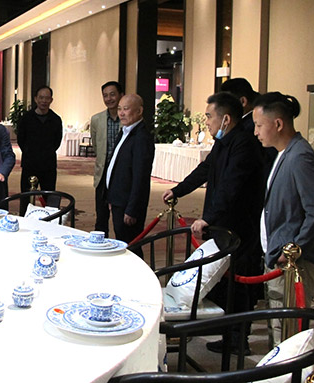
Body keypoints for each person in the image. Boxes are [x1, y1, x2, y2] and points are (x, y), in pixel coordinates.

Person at [162, 92, 264, 354]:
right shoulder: (224, 142)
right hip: (223, 226)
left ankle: (238, 340)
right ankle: (229, 335)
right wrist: (178, 190)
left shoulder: (243, 144)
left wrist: (209, 218)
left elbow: (232, 186)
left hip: (240, 227)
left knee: (239, 285)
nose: (206, 121)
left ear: (226, 119)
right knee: (225, 283)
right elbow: (206, 170)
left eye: (209, 116)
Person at [253, 92, 314, 319]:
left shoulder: (300, 157)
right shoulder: (284, 153)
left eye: (259, 125)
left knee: (288, 326)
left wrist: (296, 248)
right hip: (278, 254)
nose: (256, 132)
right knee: (277, 322)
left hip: (293, 262)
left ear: (278, 124)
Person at [103, 93, 154, 247]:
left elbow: (140, 177)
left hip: (128, 204)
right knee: (121, 241)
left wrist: (132, 209)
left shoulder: (141, 137)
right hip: (118, 200)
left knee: (131, 246)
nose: (121, 113)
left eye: (126, 109)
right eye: (119, 109)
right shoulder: (125, 131)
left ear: (139, 111)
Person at [16, 85, 63, 214]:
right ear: (36, 99)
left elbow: (57, 141)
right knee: (26, 197)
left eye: (47, 98)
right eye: (41, 98)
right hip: (30, 164)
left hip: (48, 165)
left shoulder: (55, 119)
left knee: (50, 197)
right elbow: (21, 139)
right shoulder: (26, 118)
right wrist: (30, 152)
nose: (44, 101)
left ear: (51, 100)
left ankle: (50, 220)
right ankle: (25, 219)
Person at [90, 81, 123, 233]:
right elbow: (96, 146)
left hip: (121, 174)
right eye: (105, 95)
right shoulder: (96, 119)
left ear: (121, 95)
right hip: (103, 173)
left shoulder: (127, 118)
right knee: (101, 216)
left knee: (120, 218)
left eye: (112, 94)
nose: (109, 99)